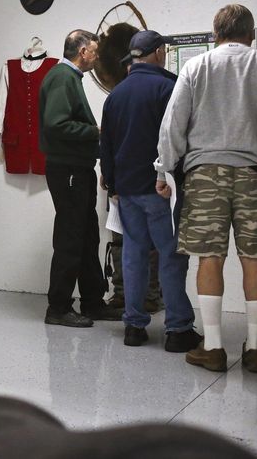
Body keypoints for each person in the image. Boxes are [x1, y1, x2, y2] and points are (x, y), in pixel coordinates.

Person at [156, 4, 257, 372]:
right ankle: (255, 348)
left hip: (205, 174)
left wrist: (168, 168)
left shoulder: (196, 66)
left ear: (215, 33)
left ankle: (214, 347)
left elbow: (172, 126)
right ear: (252, 34)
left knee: (209, 257)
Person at [100, 30, 200, 350]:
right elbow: (177, 139)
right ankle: (178, 329)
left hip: (126, 190)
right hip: (161, 188)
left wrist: (112, 184)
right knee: (171, 255)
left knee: (133, 255)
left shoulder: (116, 94)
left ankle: (133, 326)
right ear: (158, 52)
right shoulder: (168, 88)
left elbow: (106, 144)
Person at [39, 29, 122, 327]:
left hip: (78, 168)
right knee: (71, 237)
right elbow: (56, 124)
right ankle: (58, 307)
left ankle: (92, 303)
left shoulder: (70, 77)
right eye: (95, 52)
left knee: (87, 237)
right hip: (68, 169)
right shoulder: (63, 77)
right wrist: (94, 131)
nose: (97, 57)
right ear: (83, 51)